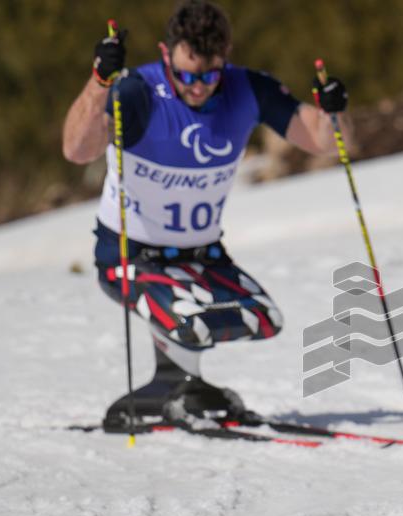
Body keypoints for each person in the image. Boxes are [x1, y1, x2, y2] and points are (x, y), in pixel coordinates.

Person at [62, 0, 351, 427]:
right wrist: (100, 81)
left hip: (201, 255)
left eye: (209, 75)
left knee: (263, 320)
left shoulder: (246, 89)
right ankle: (165, 390)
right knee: (191, 321)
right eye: (186, 75)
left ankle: (188, 385)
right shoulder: (139, 92)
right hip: (131, 254)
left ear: (226, 58)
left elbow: (327, 142)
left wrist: (334, 109)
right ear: (166, 55)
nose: (198, 87)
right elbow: (76, 149)